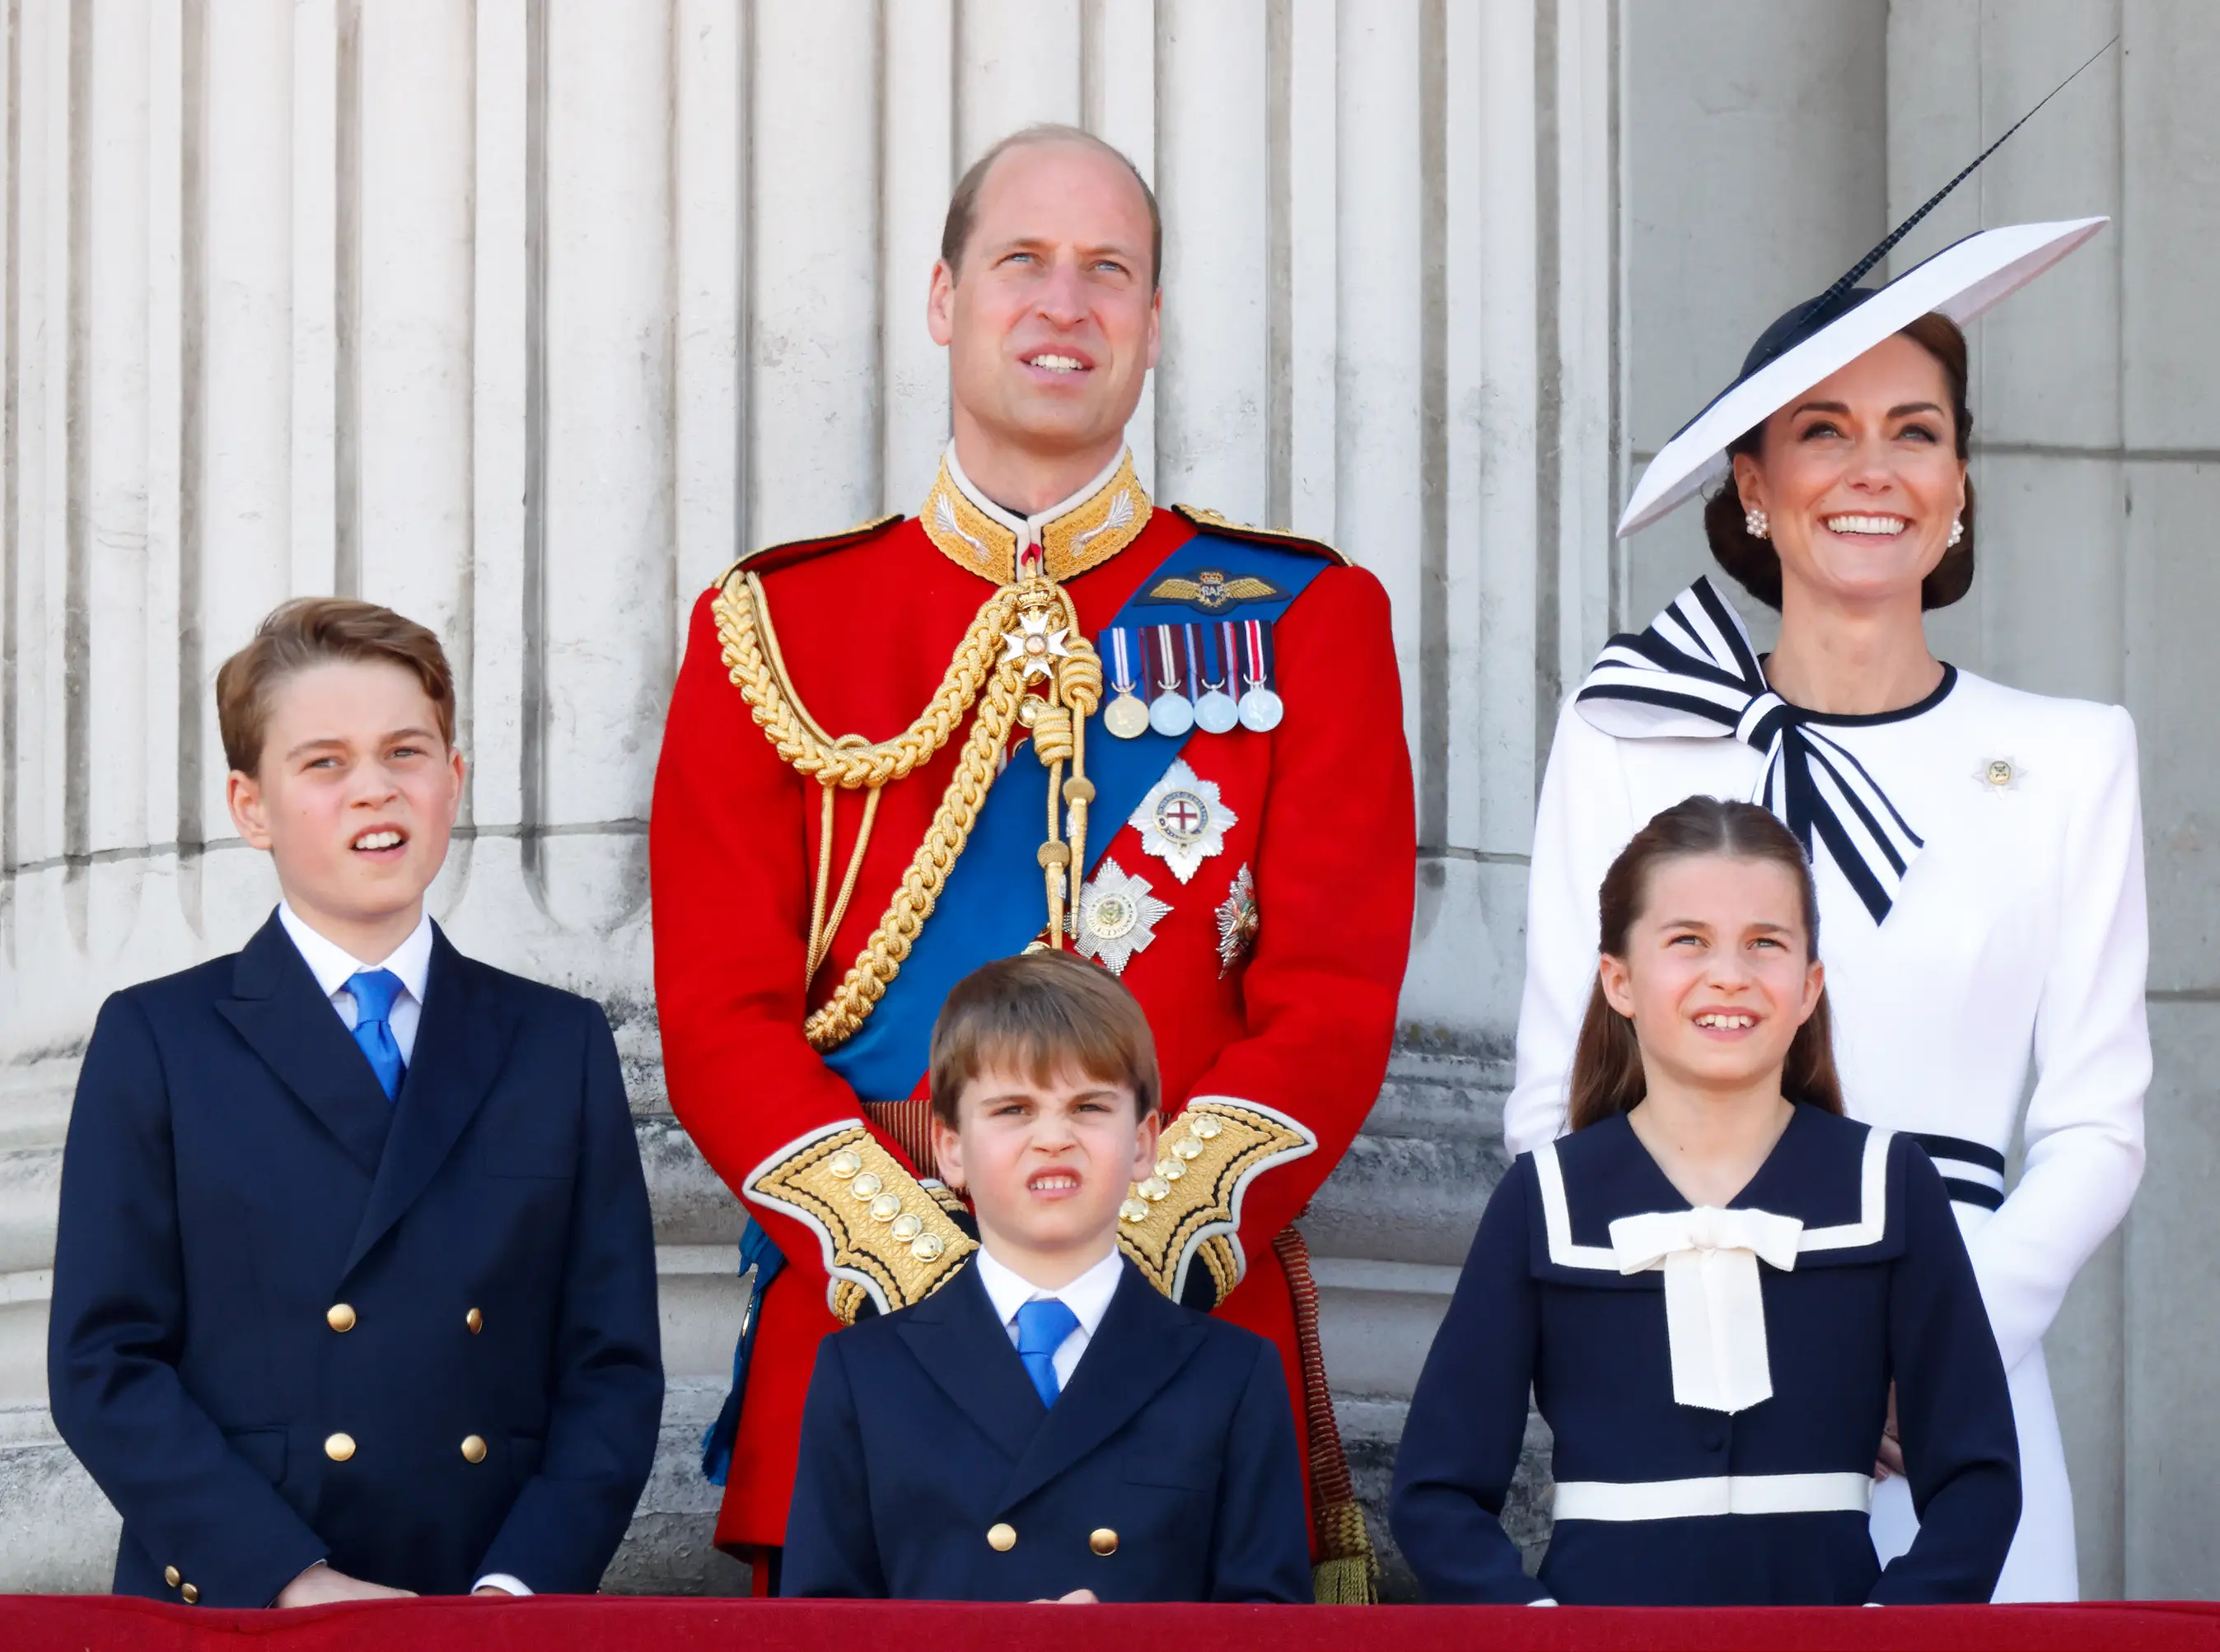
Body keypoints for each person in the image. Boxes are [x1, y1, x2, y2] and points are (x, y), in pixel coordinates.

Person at [651, 123, 1411, 1598]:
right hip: (867, 1325)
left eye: (1107, 271)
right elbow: (718, 1017)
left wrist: (1119, 1252)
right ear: (945, 300)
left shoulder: (1308, 616)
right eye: (1024, 263)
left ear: (1151, 323)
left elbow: (1328, 1001)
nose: (1065, 304)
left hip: (1185, 1343)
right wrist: (938, 1276)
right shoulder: (772, 629)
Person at [1503, 208, 2144, 1598]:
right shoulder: (1630, 735)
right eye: (1822, 429)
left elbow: (2099, 1121)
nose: (1874, 469)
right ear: (1751, 479)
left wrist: (1948, 1341)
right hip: (1685, 1367)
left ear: (1962, 478)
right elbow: (1552, 1104)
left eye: (1915, 430)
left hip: (1962, 1384)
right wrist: (1650, 1353)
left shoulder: (2073, 753)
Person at [46, 600, 663, 1608]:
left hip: (480, 1601)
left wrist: (518, 1589)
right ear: (253, 807)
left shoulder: (559, 1045)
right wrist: (291, 1580)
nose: (375, 788)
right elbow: (104, 1362)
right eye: (323, 762)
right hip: (242, 1602)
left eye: (406, 751)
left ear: (452, 781)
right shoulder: (159, 1039)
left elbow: (612, 1366)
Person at [1395, 796, 2020, 1605]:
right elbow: (1436, 1491)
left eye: (1766, 943)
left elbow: (1977, 1477)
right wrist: (1536, 1626)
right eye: (1687, 939)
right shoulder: (1543, 1197)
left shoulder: (1888, 1183)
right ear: (1618, 979)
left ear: (1807, 985)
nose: (1729, 972)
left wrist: (1887, 1627)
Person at [781, 950, 1312, 1603]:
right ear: (951, 1148)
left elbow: (1269, 1630)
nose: (1053, 1138)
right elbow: (818, 1629)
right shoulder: (863, 1373)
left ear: (1144, 1143)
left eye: (1088, 1107)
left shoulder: (1232, 1375)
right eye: (1012, 1110)